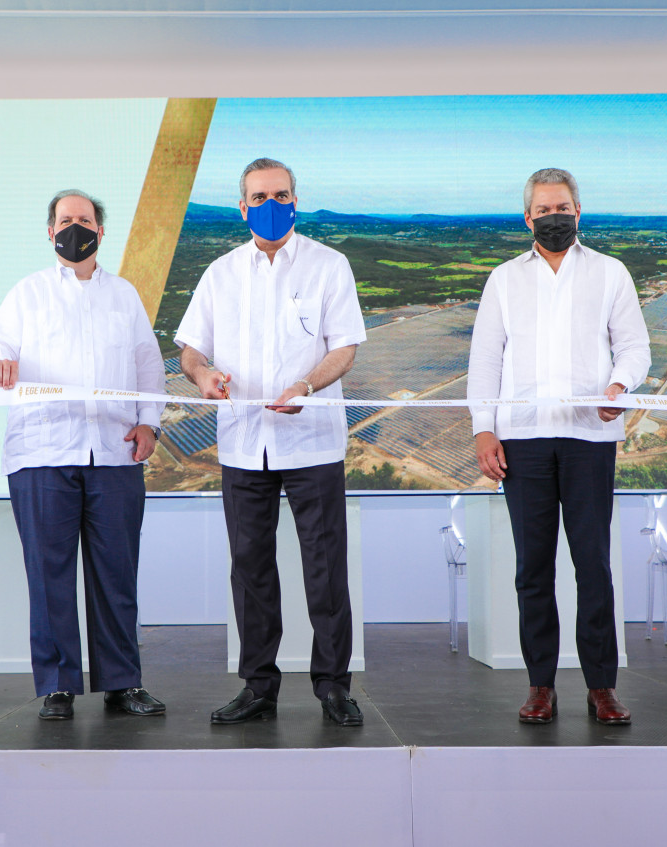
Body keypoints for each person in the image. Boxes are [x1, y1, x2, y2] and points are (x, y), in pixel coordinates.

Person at [176, 157, 368, 727]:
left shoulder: (329, 265)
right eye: (258, 197)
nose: (270, 205)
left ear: (295, 201)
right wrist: (201, 375)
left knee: (325, 569)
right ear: (242, 208)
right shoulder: (220, 273)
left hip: (312, 441)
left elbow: (345, 348)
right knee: (250, 568)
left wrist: (307, 384)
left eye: (280, 195)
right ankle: (258, 687)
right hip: (243, 443)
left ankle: (334, 686)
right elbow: (191, 349)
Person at [468, 167, 650, 726]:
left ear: (578, 212)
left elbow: (634, 347)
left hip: (589, 436)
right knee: (533, 568)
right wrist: (483, 428)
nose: (555, 217)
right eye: (544, 210)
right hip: (522, 439)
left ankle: (602, 687)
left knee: (593, 564)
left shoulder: (610, 272)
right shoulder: (504, 279)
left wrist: (620, 385)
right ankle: (540, 686)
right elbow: (485, 360)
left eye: (563, 208)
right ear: (528, 217)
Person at [0, 189, 166, 721]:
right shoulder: (27, 293)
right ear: (50, 231)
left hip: (115, 453)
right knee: (49, 575)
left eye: (84, 219)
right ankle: (57, 686)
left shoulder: (124, 295)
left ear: (101, 232)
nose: (74, 227)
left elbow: (148, 365)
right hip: (41, 454)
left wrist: (149, 422)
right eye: (65, 220)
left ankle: (122, 683)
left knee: (116, 574)